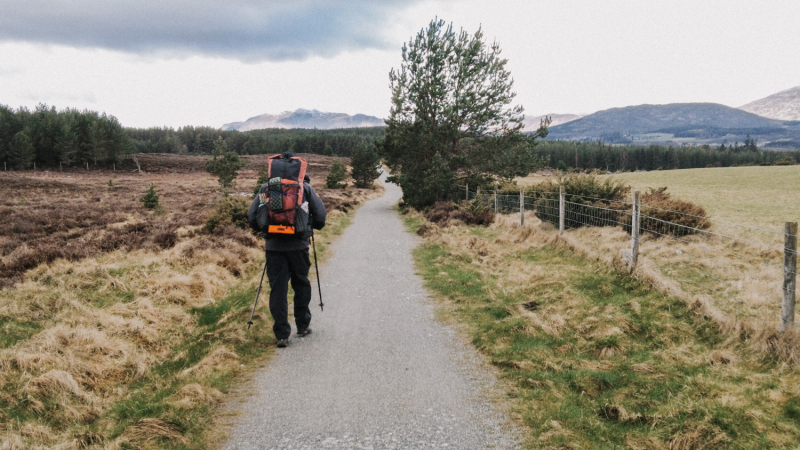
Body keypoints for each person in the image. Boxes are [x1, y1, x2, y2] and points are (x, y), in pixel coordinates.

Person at [248, 152, 327, 348]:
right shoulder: (305, 189)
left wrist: (266, 230)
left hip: (274, 248)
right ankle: (302, 324)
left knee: (278, 289)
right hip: (299, 246)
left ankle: (282, 334)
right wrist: (308, 226)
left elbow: (252, 217)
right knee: (301, 284)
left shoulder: (265, 188)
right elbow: (320, 218)